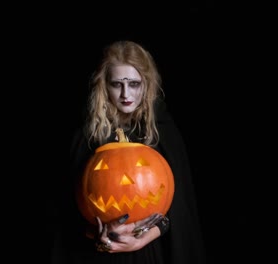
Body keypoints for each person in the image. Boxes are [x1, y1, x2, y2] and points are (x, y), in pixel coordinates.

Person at [50, 40, 206, 264]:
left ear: (146, 84)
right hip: (95, 254)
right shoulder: (86, 135)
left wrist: (142, 239)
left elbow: (179, 208)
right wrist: (100, 236)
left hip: (150, 251)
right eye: (117, 84)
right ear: (104, 85)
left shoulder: (162, 129)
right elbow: (66, 211)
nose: (126, 94)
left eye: (134, 84)